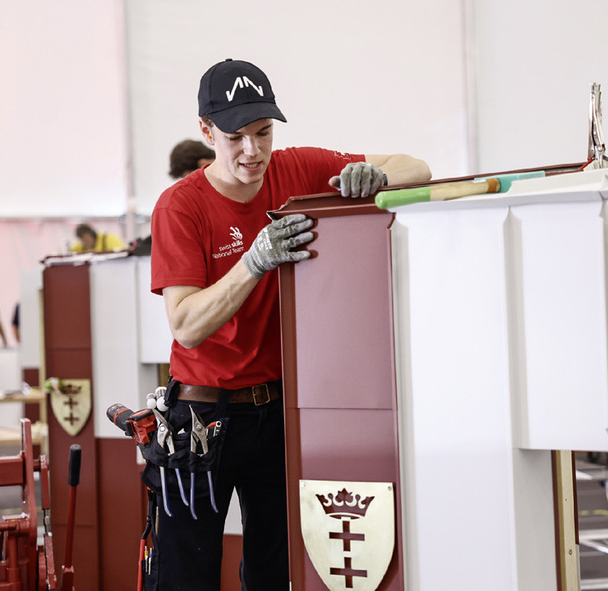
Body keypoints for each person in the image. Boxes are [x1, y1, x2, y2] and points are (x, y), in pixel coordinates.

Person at [147, 58, 430, 590]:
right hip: (205, 416)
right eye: (235, 137)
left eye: (263, 133)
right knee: (188, 575)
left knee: (277, 571)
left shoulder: (297, 169)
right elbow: (186, 325)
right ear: (206, 132)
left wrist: (377, 178)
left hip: (279, 412)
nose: (252, 152)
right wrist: (253, 261)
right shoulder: (180, 207)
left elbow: (418, 166)